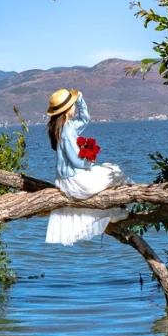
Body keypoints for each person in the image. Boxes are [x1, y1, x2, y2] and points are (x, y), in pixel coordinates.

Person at [44, 89, 130, 245]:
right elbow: (77, 161)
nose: (74, 107)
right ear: (67, 109)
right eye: (72, 104)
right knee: (115, 172)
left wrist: (80, 99)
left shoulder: (63, 127)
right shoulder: (67, 131)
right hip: (74, 180)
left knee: (110, 172)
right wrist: (90, 159)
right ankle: (116, 212)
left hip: (65, 179)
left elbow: (85, 119)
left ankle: (115, 211)